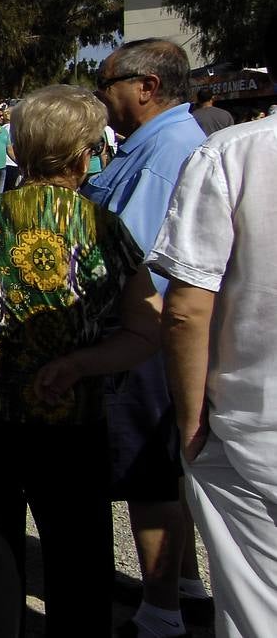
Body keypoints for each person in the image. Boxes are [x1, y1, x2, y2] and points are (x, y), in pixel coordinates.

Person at [0, 85, 164, 637]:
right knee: (76, 550)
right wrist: (81, 363)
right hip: (71, 408)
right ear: (86, 154)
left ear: (15, 148)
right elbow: (146, 329)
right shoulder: (106, 229)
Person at [83, 39, 212, 637]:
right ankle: (180, 584)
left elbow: (129, 257)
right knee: (159, 473)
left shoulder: (165, 153)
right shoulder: (157, 146)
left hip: (144, 336)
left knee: (147, 475)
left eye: (108, 83)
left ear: (146, 87)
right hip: (150, 332)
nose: (102, 95)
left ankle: (161, 611)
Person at [149, 110, 276, 638]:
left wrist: (189, 415)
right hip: (252, 427)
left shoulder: (234, 152)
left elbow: (186, 308)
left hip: (253, 431)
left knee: (258, 607)